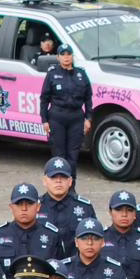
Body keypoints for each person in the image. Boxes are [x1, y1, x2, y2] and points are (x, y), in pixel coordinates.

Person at [0, 182, 65, 276]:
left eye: (29, 203)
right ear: (11, 207)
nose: (24, 208)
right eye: (19, 204)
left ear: (38, 207)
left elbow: (60, 272)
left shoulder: (52, 236)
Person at [40, 46, 92, 181]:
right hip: (57, 118)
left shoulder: (81, 74)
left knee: (73, 156)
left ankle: (71, 187)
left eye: (69, 54)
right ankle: (59, 185)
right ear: (58, 57)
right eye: (63, 54)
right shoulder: (52, 74)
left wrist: (88, 118)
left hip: (76, 118)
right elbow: (44, 99)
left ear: (72, 56)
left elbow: (88, 98)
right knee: (59, 157)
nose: (66, 57)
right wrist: (44, 120)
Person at [37, 157, 95, 254]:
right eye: (53, 177)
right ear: (44, 181)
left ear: (70, 181)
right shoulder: (34, 207)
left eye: (63, 177)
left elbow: (95, 239)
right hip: (44, 266)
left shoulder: (84, 208)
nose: (58, 181)